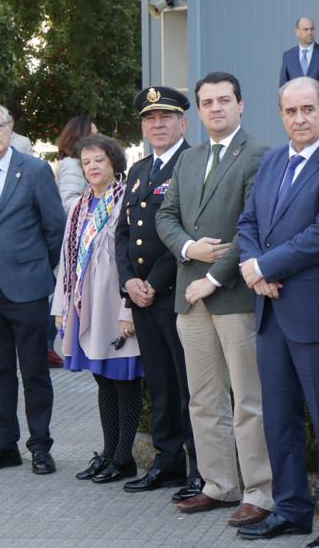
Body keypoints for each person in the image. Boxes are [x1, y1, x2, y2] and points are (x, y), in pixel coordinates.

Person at [235, 77, 319, 547]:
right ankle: (291, 509)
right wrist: (253, 268)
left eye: (309, 109)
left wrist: (262, 265)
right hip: (271, 314)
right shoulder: (272, 161)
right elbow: (248, 222)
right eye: (291, 112)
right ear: (281, 115)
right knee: (279, 419)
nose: (300, 119)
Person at [155, 73, 273, 528]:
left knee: (248, 399)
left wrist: (213, 276)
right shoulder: (188, 159)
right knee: (203, 399)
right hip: (190, 296)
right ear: (198, 112)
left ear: (241, 105)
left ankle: (259, 491)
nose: (216, 108)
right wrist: (190, 250)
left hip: (233, 296)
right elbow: (167, 215)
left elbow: (252, 225)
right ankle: (219, 484)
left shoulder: (259, 154)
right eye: (207, 102)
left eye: (224, 100)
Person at [0, 102, 66, 475]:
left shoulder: (34, 170)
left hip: (27, 288)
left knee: (34, 370)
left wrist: (34, 267)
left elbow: (55, 229)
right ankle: (3, 445)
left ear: (10, 128)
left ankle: (40, 446)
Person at [114, 87, 201, 499]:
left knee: (191, 387)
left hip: (176, 294)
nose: (158, 124)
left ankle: (200, 468)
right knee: (161, 385)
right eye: (150, 119)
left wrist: (154, 283)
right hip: (143, 297)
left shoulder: (195, 163)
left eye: (166, 116)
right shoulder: (139, 170)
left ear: (184, 122)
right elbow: (124, 234)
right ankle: (167, 462)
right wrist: (129, 281)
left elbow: (186, 232)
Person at [53, 135, 143, 482]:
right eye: (86, 162)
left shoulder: (127, 201)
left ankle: (124, 458)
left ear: (114, 163)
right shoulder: (79, 206)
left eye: (99, 161)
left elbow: (135, 260)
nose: (92, 167)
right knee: (103, 380)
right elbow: (66, 257)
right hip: (85, 304)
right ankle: (108, 453)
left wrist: (129, 310)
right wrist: (61, 307)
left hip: (116, 305)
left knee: (125, 381)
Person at [52, 114, 97, 368]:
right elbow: (68, 202)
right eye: (93, 134)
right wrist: (98, 211)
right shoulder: (72, 164)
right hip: (82, 241)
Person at [279, 17, 319, 113]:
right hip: (297, 116)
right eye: (306, 29)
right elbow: (283, 87)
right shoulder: (288, 57)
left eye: (312, 29)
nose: (310, 32)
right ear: (297, 32)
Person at [55, 115, 96, 216]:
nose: (99, 140)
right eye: (95, 136)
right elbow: (68, 205)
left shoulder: (75, 162)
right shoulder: (72, 165)